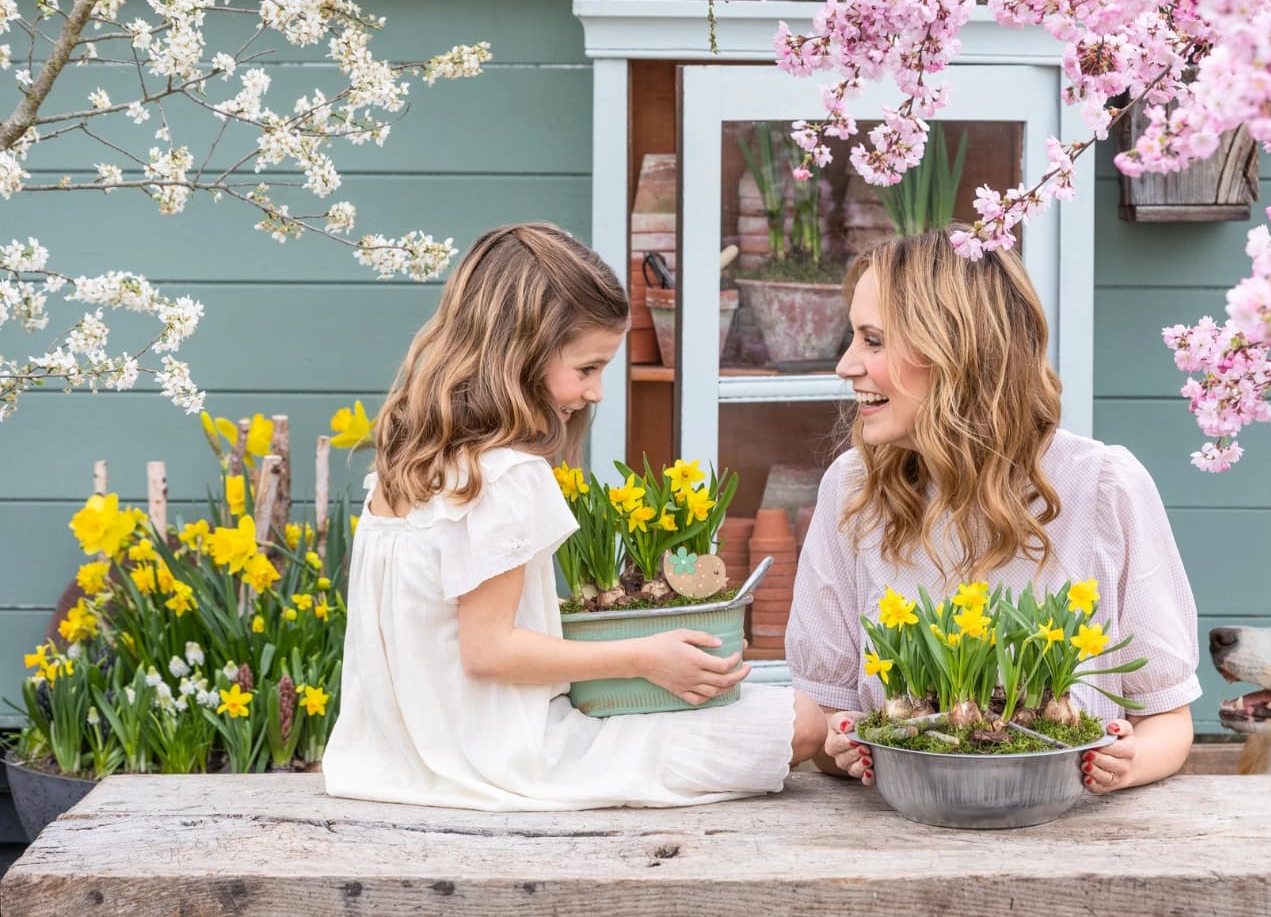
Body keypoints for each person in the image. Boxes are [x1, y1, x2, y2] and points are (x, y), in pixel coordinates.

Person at [323, 222, 825, 810]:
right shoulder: (506, 474)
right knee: (803, 721)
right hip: (521, 758)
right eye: (586, 369)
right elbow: (488, 652)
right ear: (521, 353)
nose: (596, 392)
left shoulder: (404, 466)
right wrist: (644, 658)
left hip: (399, 762)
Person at [788, 229, 1200, 793]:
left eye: (873, 341)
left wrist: (1126, 762)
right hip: (902, 828)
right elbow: (829, 721)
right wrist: (844, 747)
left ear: (956, 349)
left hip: (1072, 828)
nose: (845, 365)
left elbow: (1169, 722)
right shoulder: (854, 492)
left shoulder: (1104, 487)